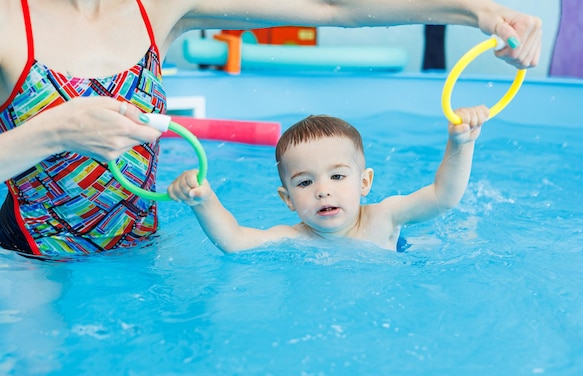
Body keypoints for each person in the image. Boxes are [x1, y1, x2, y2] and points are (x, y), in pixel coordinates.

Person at [0, 0, 541, 257]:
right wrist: (53, 133)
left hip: (142, 248)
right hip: (30, 259)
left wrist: (481, 14)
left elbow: (332, 7)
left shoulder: (158, 8)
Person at [167, 106, 489, 252]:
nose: (323, 191)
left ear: (364, 183)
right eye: (305, 182)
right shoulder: (294, 237)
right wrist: (204, 201)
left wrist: (461, 144)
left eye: (337, 176)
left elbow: (443, 197)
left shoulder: (385, 216)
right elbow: (235, 242)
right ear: (288, 199)